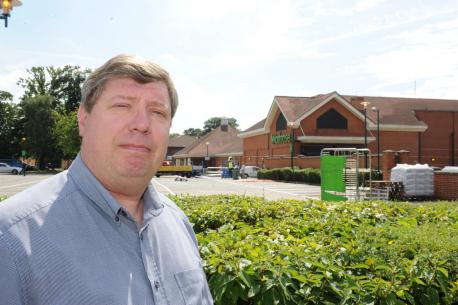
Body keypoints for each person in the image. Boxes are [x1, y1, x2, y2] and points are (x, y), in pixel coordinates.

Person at [0, 54, 214, 305]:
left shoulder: (178, 222)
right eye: (123, 106)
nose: (142, 124)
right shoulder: (10, 238)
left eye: (157, 112)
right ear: (83, 119)